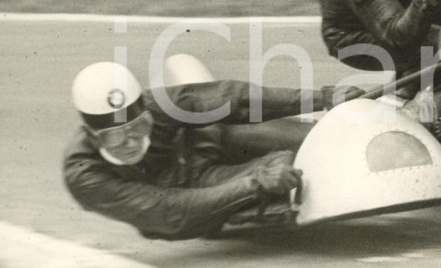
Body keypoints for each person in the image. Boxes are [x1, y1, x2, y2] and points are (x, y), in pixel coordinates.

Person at [63, 60, 357, 240]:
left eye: (139, 128)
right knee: (291, 174)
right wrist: (254, 183)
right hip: (182, 197)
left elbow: (229, 98)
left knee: (322, 139)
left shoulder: (153, 106)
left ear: (146, 114)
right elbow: (168, 212)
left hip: (200, 145)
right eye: (115, 138)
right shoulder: (84, 175)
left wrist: (324, 97)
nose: (131, 142)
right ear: (92, 135)